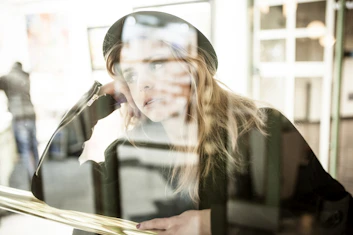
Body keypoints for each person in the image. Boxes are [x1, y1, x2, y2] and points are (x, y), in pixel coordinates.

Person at [32, 11, 353, 234]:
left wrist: (218, 224)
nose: (142, 84)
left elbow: (333, 217)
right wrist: (95, 104)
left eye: (156, 64)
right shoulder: (126, 152)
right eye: (130, 75)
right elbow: (50, 189)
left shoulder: (259, 128)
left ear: (192, 67)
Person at [0, 62, 39, 182]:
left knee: (25, 149)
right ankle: (38, 173)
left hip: (20, 117)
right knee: (34, 146)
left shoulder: (9, 78)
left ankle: (32, 177)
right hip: (31, 114)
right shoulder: (25, 77)